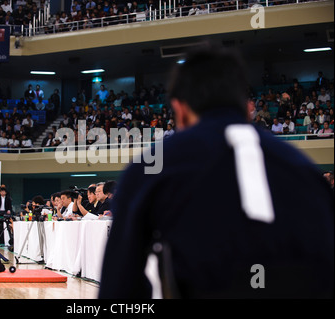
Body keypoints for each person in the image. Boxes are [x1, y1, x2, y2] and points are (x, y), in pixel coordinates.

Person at [99, 46, 334, 299]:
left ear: (180, 110)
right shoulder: (304, 168)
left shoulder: (153, 164)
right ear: (247, 109)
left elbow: (119, 287)